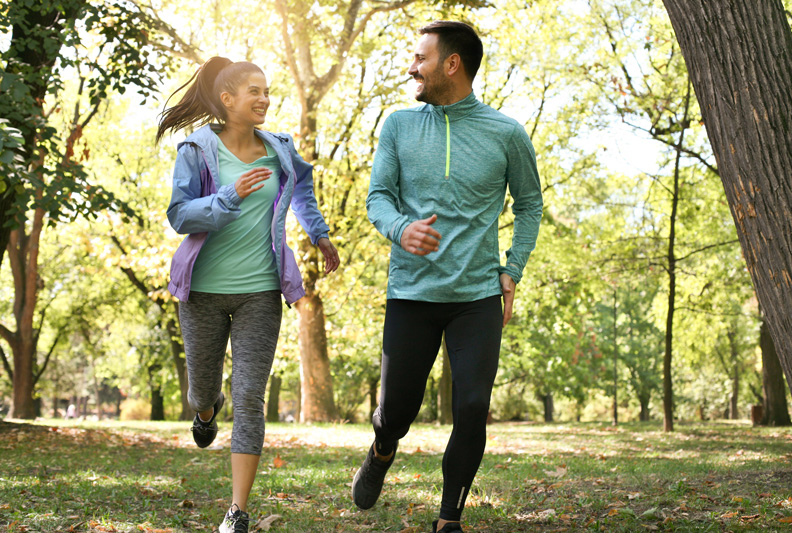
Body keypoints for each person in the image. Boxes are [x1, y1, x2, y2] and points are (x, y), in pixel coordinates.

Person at [352, 21, 543, 533]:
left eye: (421, 58)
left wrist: (512, 269)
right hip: (412, 291)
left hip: (476, 295)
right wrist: (400, 229)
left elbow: (529, 205)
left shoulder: (506, 133)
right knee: (397, 410)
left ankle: (449, 519)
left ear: (451, 64)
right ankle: (382, 445)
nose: (412, 66)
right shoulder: (398, 125)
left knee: (473, 405)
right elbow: (378, 198)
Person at [156, 57, 339, 533]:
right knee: (203, 389)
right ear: (227, 99)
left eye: (267, 91)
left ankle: (237, 510)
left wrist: (317, 233)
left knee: (251, 395)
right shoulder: (197, 149)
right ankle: (204, 410)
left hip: (261, 289)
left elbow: (300, 188)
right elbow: (180, 215)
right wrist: (229, 196)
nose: (263, 99)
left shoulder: (278, 148)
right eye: (253, 91)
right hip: (203, 292)